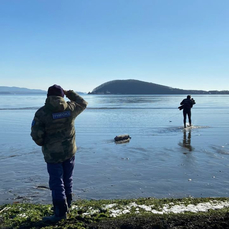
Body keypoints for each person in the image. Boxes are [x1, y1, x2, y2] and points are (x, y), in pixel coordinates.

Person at [31, 84, 88, 222]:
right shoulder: (70, 109)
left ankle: (60, 213)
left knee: (57, 182)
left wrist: (44, 144)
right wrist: (70, 93)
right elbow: (83, 103)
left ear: (48, 96)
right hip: (69, 152)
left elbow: (36, 136)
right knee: (67, 179)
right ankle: (67, 206)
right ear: (62, 96)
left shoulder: (42, 113)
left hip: (52, 155)